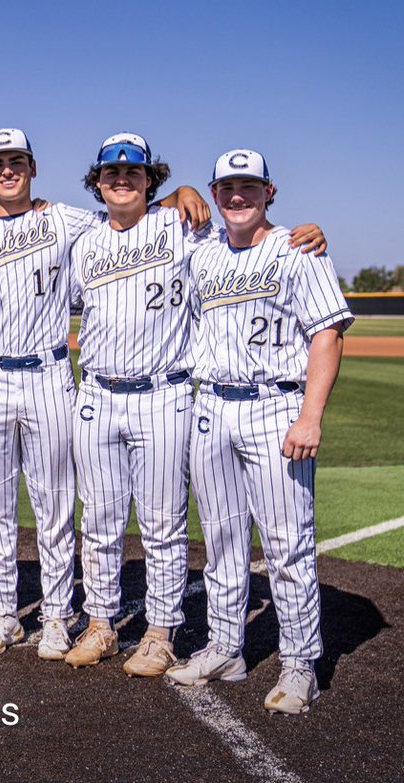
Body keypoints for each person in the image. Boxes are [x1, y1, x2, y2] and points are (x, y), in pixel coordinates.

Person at [66, 133, 324, 676]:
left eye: (133, 171)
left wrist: (307, 231)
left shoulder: (185, 227)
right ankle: (100, 625)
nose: (120, 178)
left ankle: (160, 634)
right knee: (100, 520)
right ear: (96, 181)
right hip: (96, 392)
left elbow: (246, 228)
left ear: (149, 179)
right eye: (110, 172)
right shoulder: (83, 239)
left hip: (166, 391)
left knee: (164, 523)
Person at [0, 128, 209, 659]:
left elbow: (193, 220)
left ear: (33, 166)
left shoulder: (79, 221)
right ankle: (11, 614)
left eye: (17, 160)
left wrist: (184, 190)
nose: (7, 169)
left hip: (77, 379)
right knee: (17, 507)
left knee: (74, 509)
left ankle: (68, 618)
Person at [165, 149, 350, 715]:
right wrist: (180, 194)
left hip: (275, 408)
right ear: (215, 195)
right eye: (226, 188)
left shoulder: (298, 248)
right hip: (212, 406)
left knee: (287, 545)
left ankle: (300, 665)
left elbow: (328, 334)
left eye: (249, 186)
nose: (237, 196)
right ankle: (226, 646)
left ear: (270, 191)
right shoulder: (201, 250)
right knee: (220, 541)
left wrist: (311, 416)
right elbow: (149, 209)